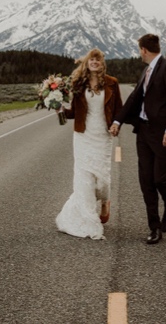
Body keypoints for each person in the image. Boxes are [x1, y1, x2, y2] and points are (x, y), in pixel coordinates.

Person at [111, 34, 166, 245]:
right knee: (146, 180)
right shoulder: (146, 70)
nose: (139, 53)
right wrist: (118, 121)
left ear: (143, 49)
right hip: (143, 132)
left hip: (163, 134)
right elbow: (134, 98)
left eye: (139, 49)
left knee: (159, 178)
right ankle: (154, 227)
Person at [55, 48, 123, 240]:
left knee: (103, 178)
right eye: (91, 60)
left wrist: (116, 124)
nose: (94, 62)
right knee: (84, 178)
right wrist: (59, 109)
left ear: (102, 63)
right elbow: (74, 112)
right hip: (83, 136)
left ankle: (105, 200)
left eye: (98, 60)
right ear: (86, 63)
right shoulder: (79, 83)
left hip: (103, 135)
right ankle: (88, 218)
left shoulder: (112, 83)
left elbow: (119, 109)